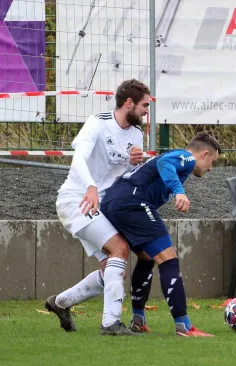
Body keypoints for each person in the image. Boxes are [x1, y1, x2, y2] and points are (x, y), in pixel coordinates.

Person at [44, 79, 149, 336]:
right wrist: (91, 186)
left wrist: (135, 163)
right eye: (145, 105)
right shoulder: (98, 122)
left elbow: (126, 174)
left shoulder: (136, 134)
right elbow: (78, 157)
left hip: (102, 205)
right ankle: (110, 324)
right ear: (129, 103)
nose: (148, 111)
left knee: (112, 269)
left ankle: (60, 303)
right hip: (76, 199)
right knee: (120, 250)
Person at [100, 132, 221, 337]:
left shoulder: (175, 156)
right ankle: (184, 326)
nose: (210, 168)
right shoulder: (187, 158)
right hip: (132, 203)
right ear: (205, 154)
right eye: (212, 162)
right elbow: (166, 163)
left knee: (146, 258)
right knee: (169, 260)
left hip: (113, 203)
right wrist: (179, 191)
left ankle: (138, 320)